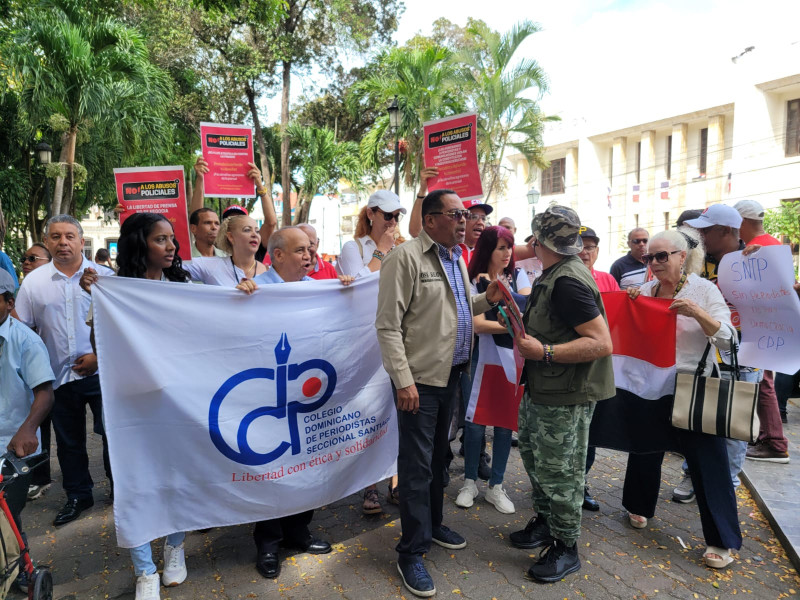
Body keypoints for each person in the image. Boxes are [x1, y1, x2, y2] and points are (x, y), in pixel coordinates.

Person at [375, 189, 502, 597]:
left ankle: (431, 525)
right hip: (420, 382)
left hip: (453, 376)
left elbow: (461, 309)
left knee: (439, 458)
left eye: (465, 214)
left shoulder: (456, 257)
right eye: (455, 214)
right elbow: (388, 326)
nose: (465, 221)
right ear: (430, 220)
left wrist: (488, 300)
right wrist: (403, 380)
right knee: (415, 467)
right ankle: (410, 552)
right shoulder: (406, 257)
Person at [80, 213, 190, 600]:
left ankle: (175, 547)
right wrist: (99, 293)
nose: (171, 246)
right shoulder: (113, 289)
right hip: (131, 404)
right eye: (161, 239)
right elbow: (101, 348)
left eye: (172, 239)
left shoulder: (184, 284)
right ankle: (144, 569)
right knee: (136, 481)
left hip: (178, 399)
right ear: (139, 243)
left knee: (178, 475)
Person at [624, 227, 742, 569]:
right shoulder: (645, 290)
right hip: (651, 385)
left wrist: (698, 313)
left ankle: (721, 539)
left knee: (708, 462)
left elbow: (729, 339)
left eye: (662, 256)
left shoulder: (704, 290)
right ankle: (638, 505)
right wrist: (632, 305)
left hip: (694, 386)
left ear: (681, 256)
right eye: (650, 257)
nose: (655, 263)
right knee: (644, 448)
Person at [235, 227, 348, 581]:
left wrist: (348, 293)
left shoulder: (316, 288)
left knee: (306, 466)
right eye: (301, 250)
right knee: (274, 469)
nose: (309, 256)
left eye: (310, 250)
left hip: (306, 397)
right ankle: (268, 543)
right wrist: (237, 299)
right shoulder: (256, 289)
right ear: (278, 255)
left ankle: (299, 532)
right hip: (268, 398)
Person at [509, 205, 614, 583]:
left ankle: (566, 546)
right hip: (544, 388)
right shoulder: (553, 272)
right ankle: (545, 524)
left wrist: (546, 352)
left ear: (540, 240)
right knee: (538, 463)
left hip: (565, 394)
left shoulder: (567, 281)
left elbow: (601, 343)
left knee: (562, 472)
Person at [13, 215, 113, 526]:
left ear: (82, 241)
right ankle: (78, 495)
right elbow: (23, 329)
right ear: (48, 242)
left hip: (101, 374)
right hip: (57, 376)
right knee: (69, 442)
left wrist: (98, 356)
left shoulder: (105, 277)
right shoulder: (34, 283)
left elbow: (118, 328)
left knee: (112, 434)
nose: (63, 242)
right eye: (55, 237)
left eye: (70, 236)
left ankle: (121, 489)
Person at [685, 205, 789, 467]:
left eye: (705, 230)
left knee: (735, 425)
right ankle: (693, 474)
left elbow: (778, 303)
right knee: (699, 417)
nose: (700, 235)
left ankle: (728, 486)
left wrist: (761, 271)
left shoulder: (757, 259)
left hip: (743, 355)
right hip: (703, 352)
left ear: (726, 231)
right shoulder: (697, 260)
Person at [336, 190, 406, 513]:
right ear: (371, 214)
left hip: (396, 339)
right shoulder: (354, 248)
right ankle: (369, 488)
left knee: (395, 413)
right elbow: (365, 286)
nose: (393, 222)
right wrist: (381, 250)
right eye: (387, 215)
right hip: (363, 343)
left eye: (396, 216)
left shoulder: (403, 247)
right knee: (368, 415)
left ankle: (395, 480)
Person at [454, 226, 530, 515]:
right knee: (474, 422)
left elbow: (527, 308)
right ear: (487, 250)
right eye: (501, 247)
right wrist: (509, 324)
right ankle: (469, 482)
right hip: (478, 358)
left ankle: (496, 486)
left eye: (509, 246)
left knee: (504, 422)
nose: (507, 252)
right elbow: (473, 323)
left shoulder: (518, 277)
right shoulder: (471, 281)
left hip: (509, 358)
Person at [0, 268, 55, 593]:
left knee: (7, 514)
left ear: (8, 303)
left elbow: (45, 392)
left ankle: (19, 570)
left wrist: (28, 429)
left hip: (11, 446)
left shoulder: (26, 341)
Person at [730, 200, 791, 462]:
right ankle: (771, 438)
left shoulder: (761, 248)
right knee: (764, 380)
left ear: (742, 222)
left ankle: (775, 442)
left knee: (763, 382)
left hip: (759, 325)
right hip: (767, 324)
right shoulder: (774, 244)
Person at [575, 226, 619, 513]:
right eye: (580, 246)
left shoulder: (608, 281)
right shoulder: (561, 279)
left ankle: (581, 484)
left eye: (591, 246)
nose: (585, 251)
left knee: (590, 433)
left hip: (599, 369)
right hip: (570, 367)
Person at [19, 243, 54, 500]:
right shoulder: (26, 288)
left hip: (63, 371)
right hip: (30, 369)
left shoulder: (57, 285)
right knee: (38, 422)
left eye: (33, 258)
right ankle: (37, 476)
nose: (26, 262)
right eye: (24, 258)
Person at [183, 215, 268, 286]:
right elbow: (173, 267)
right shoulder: (212, 266)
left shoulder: (269, 271)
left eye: (257, 231)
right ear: (230, 237)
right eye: (247, 230)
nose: (255, 235)